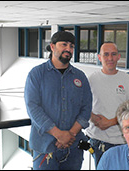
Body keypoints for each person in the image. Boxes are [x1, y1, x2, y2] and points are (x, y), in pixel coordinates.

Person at [24, 31, 92, 170]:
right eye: (64, 44)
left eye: (72, 46)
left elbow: (86, 108)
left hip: (73, 149)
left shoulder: (80, 77)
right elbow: (33, 108)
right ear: (53, 47)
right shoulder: (36, 74)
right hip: (45, 148)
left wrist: (70, 135)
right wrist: (58, 134)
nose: (69, 49)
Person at [84, 42, 129, 167]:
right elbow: (82, 105)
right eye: (106, 55)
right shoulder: (91, 80)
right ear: (99, 57)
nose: (110, 58)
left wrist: (111, 122)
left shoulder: (127, 80)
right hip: (98, 141)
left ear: (119, 56)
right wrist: (93, 118)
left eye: (113, 54)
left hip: (123, 141)